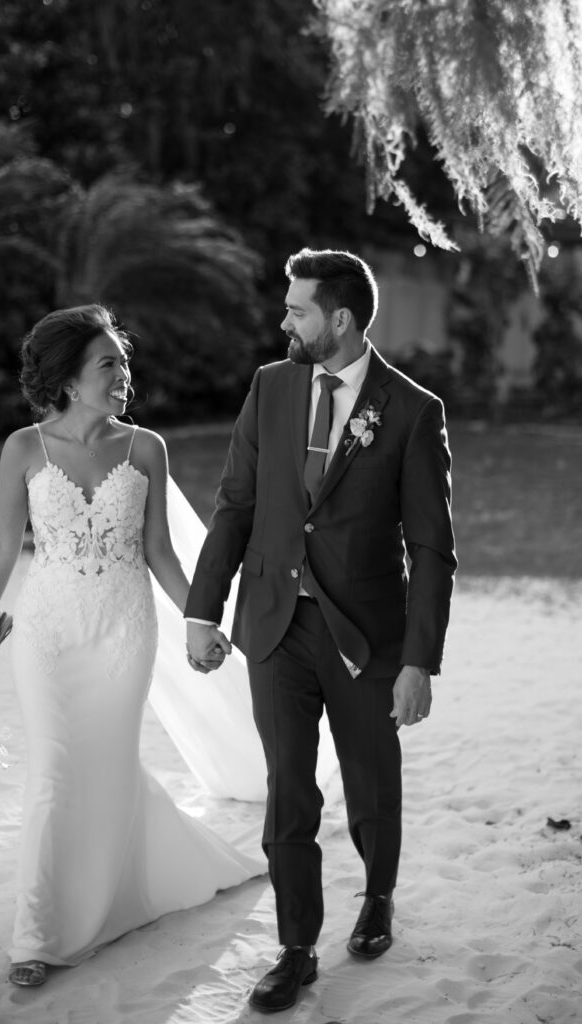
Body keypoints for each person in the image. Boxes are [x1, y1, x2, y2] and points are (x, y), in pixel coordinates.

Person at [0, 304, 263, 987]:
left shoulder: (144, 447)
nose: (124, 373)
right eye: (108, 363)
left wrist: (201, 620)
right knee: (55, 773)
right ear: (68, 379)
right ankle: (35, 936)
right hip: (48, 633)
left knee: (108, 763)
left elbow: (158, 551)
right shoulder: (23, 448)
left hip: (124, 630)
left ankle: (116, 889)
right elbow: (5, 550)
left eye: (124, 361)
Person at [185, 248, 457, 1012]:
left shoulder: (410, 410)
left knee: (371, 781)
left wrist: (418, 662)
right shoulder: (270, 388)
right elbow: (235, 502)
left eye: (296, 309)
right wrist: (204, 610)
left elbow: (431, 548)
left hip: (367, 635)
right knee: (287, 791)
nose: (284, 321)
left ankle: (376, 896)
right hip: (274, 624)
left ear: (337, 319)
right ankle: (295, 946)